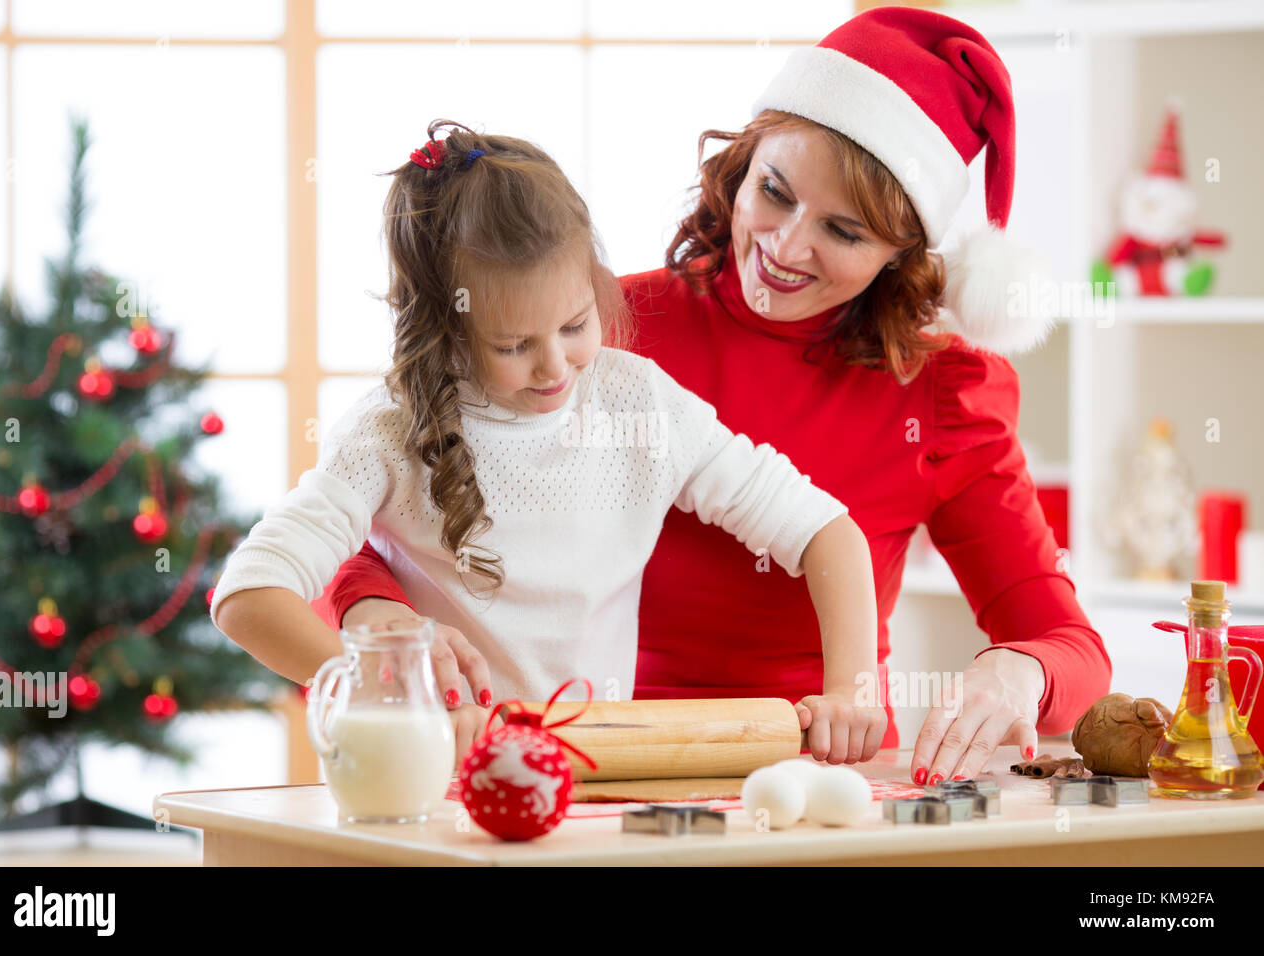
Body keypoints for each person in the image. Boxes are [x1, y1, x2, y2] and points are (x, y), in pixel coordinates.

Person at [319, 8, 1112, 785]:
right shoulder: (599, 335)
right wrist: (374, 618)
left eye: (844, 233)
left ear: (903, 256)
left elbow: (1068, 643)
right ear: (743, 161)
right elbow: (359, 524)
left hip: (827, 782)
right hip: (592, 761)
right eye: (774, 191)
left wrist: (1021, 672)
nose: (786, 246)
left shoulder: (941, 395)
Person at [212, 120, 887, 765]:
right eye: (513, 345)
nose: (556, 367)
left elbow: (825, 529)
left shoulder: (639, 401)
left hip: (593, 772)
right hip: (436, 780)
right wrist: (376, 684)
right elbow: (246, 594)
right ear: (444, 329)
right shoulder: (388, 430)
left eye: (574, 324)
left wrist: (852, 690)